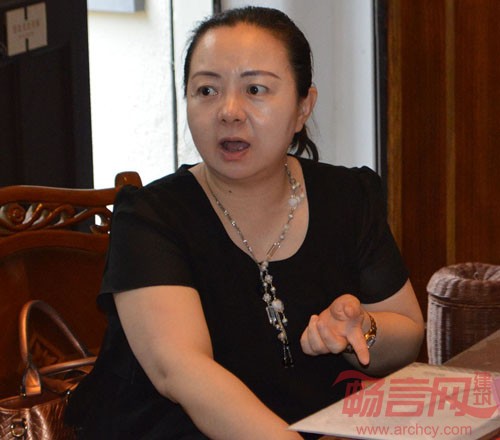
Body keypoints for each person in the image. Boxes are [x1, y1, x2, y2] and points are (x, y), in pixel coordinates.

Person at [66, 6, 424, 439]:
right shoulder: (150, 217)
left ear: (303, 106)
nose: (229, 112)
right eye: (206, 90)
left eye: (255, 89)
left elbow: (408, 334)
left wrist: (362, 329)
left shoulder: (348, 196)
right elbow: (182, 371)